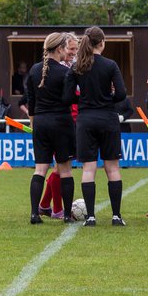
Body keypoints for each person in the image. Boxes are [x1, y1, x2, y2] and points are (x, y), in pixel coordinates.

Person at [63, 26, 127, 226]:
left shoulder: (77, 67)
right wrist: (108, 96)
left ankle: (90, 217)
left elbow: (67, 97)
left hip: (86, 120)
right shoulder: (110, 65)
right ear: (102, 43)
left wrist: (83, 98)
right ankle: (116, 216)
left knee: (88, 169)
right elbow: (122, 95)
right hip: (108, 118)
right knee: (112, 168)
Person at [24, 32, 76, 224]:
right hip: (62, 122)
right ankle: (67, 214)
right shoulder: (65, 72)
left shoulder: (34, 70)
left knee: (40, 169)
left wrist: (33, 122)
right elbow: (69, 99)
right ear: (59, 49)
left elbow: (31, 100)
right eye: (66, 48)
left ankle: (34, 214)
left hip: (41, 122)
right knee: (65, 170)